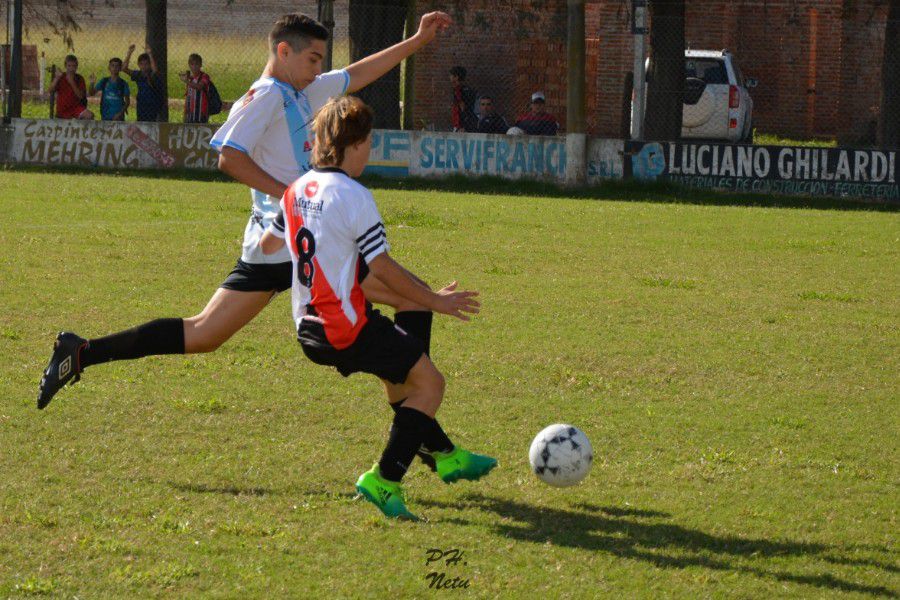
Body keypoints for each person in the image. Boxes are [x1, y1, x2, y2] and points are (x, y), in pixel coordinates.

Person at [37, 11, 453, 425]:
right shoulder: (267, 94)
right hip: (297, 242)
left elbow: (357, 73)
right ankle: (421, 430)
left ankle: (81, 352)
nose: (319, 69)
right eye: (313, 59)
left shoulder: (302, 89)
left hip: (274, 245)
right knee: (411, 296)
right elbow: (229, 157)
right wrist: (294, 196)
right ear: (283, 51)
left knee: (202, 334)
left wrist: (416, 41)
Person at [259, 96, 496, 520]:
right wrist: (439, 301)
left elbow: (269, 244)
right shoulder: (353, 195)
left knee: (412, 319)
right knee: (429, 385)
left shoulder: (297, 189)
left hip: (307, 325)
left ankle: (441, 451)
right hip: (344, 327)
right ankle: (385, 479)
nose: (370, 151)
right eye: (369, 142)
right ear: (355, 144)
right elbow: (381, 266)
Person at [124, 44, 164, 122]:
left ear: (150, 65)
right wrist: (129, 53)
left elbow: (155, 71)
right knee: (141, 123)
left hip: (153, 106)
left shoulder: (153, 75)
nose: (144, 66)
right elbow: (124, 68)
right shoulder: (138, 74)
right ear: (138, 65)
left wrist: (150, 54)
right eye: (141, 64)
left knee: (152, 124)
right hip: (141, 104)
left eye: (146, 64)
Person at [49, 54, 93, 120]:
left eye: (74, 66)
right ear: (65, 66)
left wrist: (72, 82)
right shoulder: (61, 77)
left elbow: (80, 96)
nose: (71, 69)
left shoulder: (79, 78)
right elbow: (50, 90)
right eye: (69, 66)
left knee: (89, 115)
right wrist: (56, 78)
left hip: (76, 108)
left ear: (77, 67)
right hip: (62, 109)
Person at [180, 53, 211, 124]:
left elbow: (200, 86)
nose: (194, 67)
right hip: (190, 113)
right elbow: (188, 97)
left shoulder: (204, 76)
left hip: (201, 112)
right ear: (189, 65)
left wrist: (186, 81)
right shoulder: (190, 79)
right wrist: (185, 113)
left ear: (200, 65)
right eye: (192, 64)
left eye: (196, 64)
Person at [449, 66, 477, 132]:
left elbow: (464, 109)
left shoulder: (461, 90)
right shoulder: (457, 90)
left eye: (451, 75)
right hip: (460, 125)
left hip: (462, 127)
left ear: (456, 77)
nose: (449, 78)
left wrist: (462, 126)